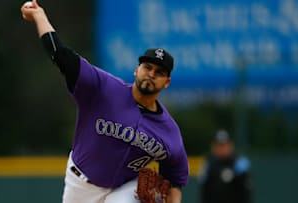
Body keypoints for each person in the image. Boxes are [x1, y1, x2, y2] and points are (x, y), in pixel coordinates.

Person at [20, 1, 189, 203]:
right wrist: (39, 16)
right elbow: (62, 56)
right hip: (80, 183)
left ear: (167, 82)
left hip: (125, 190)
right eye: (147, 67)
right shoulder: (103, 88)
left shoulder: (168, 132)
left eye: (159, 72)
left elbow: (176, 178)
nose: (151, 74)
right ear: (137, 70)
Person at [198, 130, 252, 203]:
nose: (221, 148)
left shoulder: (239, 163)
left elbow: (246, 192)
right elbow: (204, 191)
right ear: (213, 146)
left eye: (224, 145)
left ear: (231, 145)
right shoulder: (208, 163)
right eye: (218, 145)